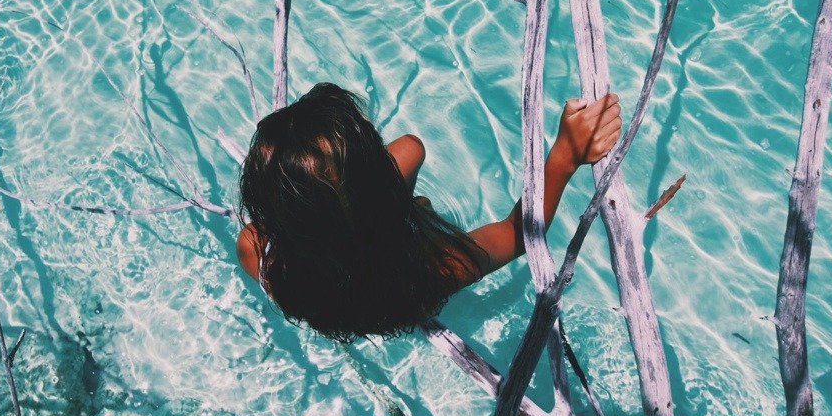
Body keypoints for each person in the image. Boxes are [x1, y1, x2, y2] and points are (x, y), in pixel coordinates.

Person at [237, 83, 621, 340]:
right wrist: (564, 157)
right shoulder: (420, 276)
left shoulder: (258, 250)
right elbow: (515, 234)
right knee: (411, 148)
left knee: (408, 149)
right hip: (384, 245)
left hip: (350, 242)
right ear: (380, 195)